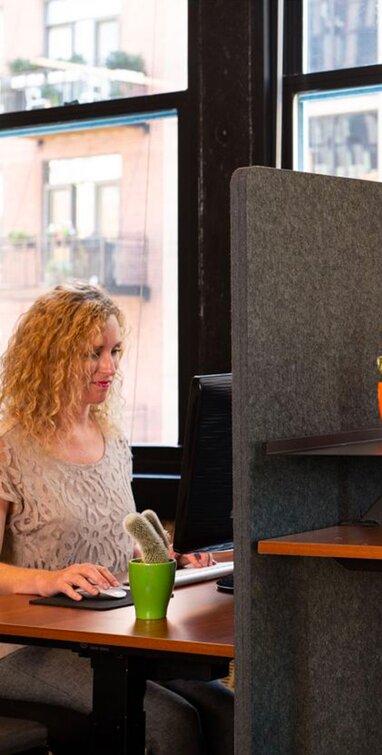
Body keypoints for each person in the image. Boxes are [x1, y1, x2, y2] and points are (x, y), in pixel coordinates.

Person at [0, 283, 233, 755]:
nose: (110, 367)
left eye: (115, 351)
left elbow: (120, 541)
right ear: (51, 357)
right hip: (28, 648)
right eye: (93, 354)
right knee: (171, 724)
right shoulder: (8, 445)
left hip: (108, 633)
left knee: (228, 714)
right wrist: (49, 580)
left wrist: (168, 560)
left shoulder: (111, 439)